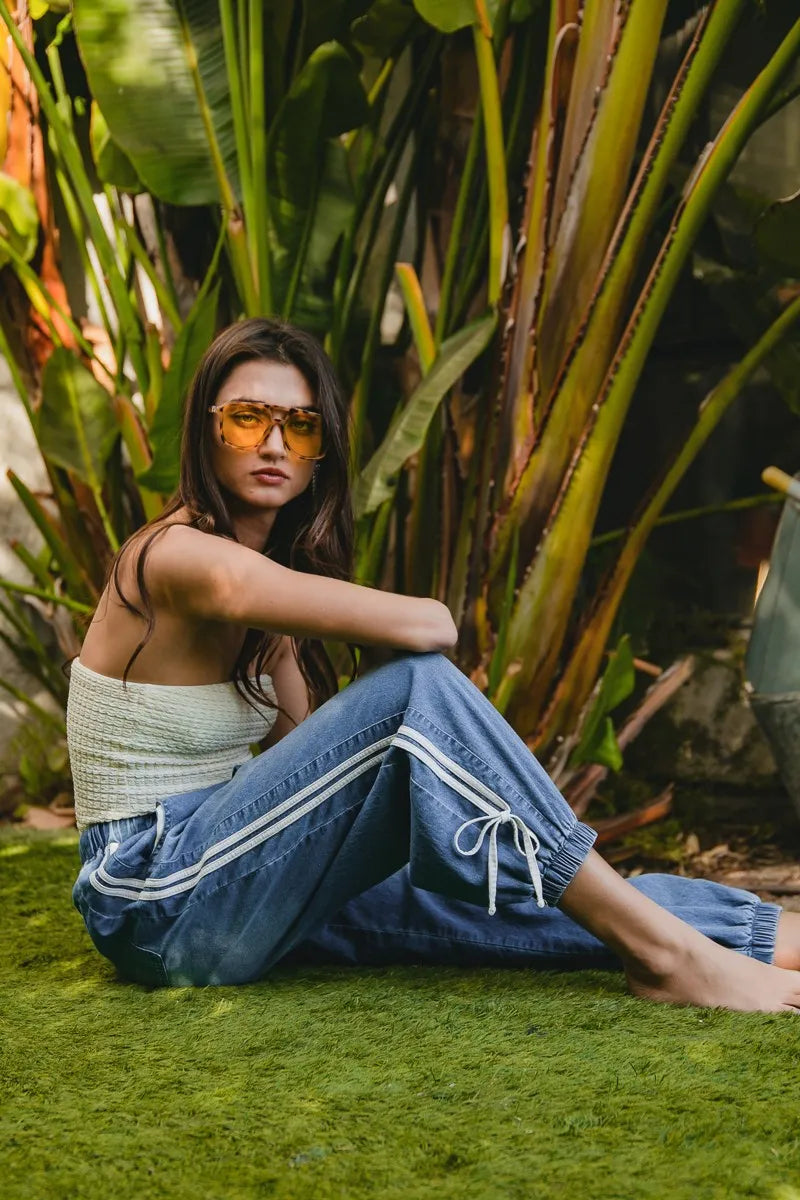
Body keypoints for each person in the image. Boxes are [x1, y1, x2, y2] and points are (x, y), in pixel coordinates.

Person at [70, 317, 800, 1010]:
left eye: (299, 425)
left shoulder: (267, 604)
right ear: (206, 431)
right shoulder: (175, 556)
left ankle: (764, 937)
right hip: (151, 896)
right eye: (246, 418)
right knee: (416, 688)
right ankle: (669, 958)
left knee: (488, 892)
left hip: (231, 877)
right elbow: (431, 626)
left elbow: (302, 773)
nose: (274, 445)